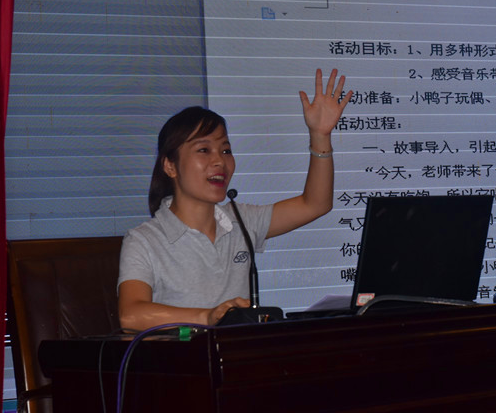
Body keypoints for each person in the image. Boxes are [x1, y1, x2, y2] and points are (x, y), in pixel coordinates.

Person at [118, 69, 352, 330]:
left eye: (226, 150)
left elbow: (316, 204)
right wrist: (207, 317)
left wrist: (320, 136)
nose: (220, 161)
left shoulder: (241, 221)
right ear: (170, 166)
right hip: (185, 353)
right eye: (204, 150)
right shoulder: (144, 240)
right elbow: (131, 315)